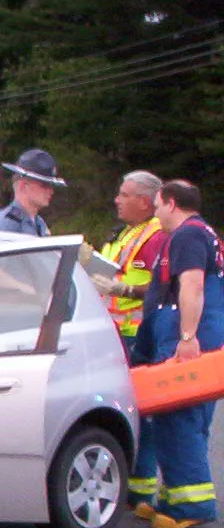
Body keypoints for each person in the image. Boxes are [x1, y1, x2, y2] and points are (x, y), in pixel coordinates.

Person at [133, 179, 224, 528]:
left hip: (188, 334)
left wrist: (187, 336)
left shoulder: (188, 235)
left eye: (157, 206)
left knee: (179, 418)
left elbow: (192, 284)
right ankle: (174, 497)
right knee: (184, 419)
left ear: (171, 203)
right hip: (192, 330)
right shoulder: (204, 234)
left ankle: (191, 505)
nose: (155, 214)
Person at [93, 171, 167, 503]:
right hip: (116, 332)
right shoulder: (125, 232)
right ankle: (135, 486)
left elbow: (166, 283)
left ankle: (140, 488)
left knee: (140, 412)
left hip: (137, 334)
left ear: (144, 201)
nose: (117, 200)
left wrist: (123, 289)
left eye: (124, 195)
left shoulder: (156, 236)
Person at [0, 147, 64, 235]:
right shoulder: (4, 226)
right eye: (44, 185)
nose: (51, 191)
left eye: (51, 185)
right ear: (23, 186)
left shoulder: (39, 223)